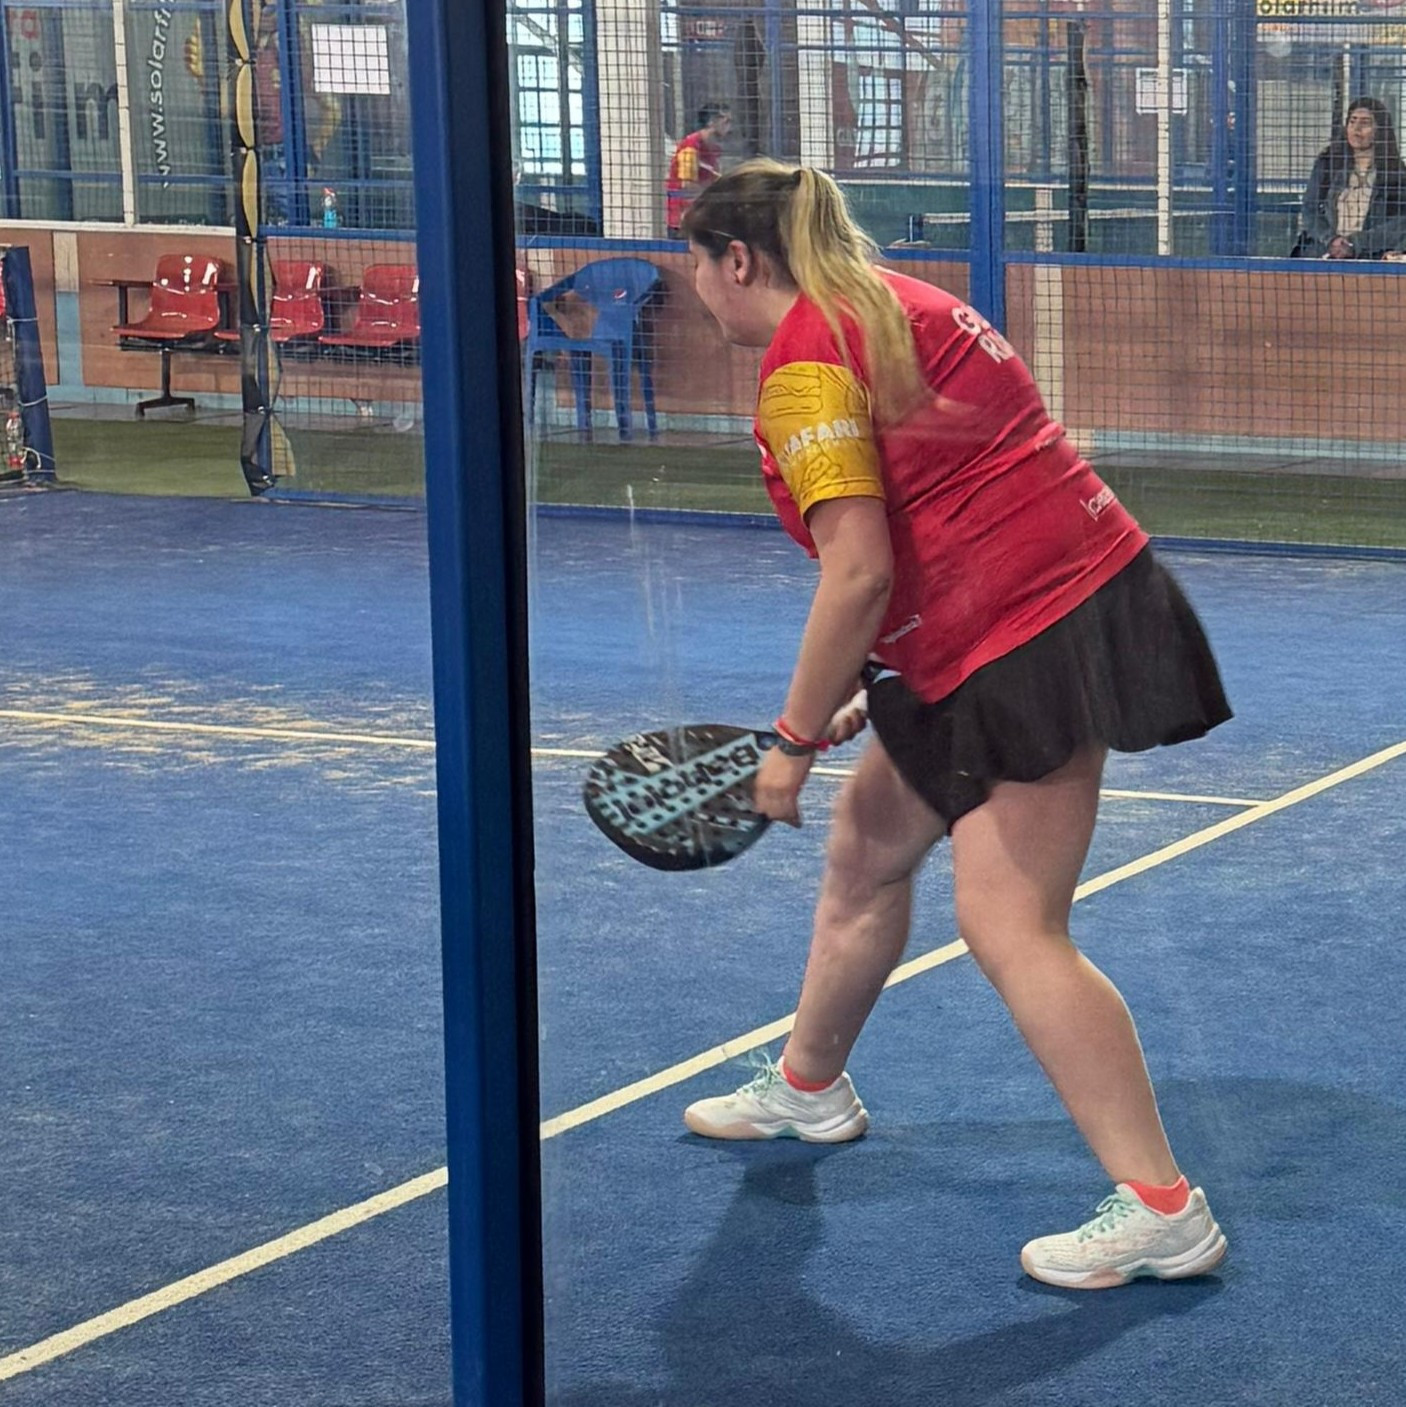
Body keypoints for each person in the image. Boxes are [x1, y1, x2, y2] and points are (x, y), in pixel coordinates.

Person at [678, 159, 1232, 1291]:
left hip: (1022, 637)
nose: (692, 287)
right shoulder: (903, 305)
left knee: (1010, 923)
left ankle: (1162, 1209)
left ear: (736, 261)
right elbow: (948, 499)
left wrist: (791, 742)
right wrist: (879, 673)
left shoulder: (805, 368)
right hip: (1034, 608)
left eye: (693, 263)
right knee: (867, 851)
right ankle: (808, 1086)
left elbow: (858, 572)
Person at [1292, 96, 1406, 259]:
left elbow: (1399, 223)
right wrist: (1331, 240)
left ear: (1380, 130)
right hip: (1324, 252)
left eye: (1365, 123)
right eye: (1352, 121)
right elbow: (1310, 210)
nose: (1356, 129)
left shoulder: (1395, 172)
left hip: (1370, 256)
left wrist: (1356, 243)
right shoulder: (1328, 163)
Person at [666, 104, 732, 238]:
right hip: (684, 220)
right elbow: (687, 186)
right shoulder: (691, 146)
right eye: (726, 121)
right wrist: (717, 188)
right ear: (711, 122)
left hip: (703, 217)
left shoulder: (714, 149)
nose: (729, 127)